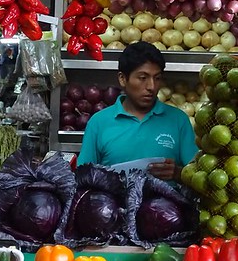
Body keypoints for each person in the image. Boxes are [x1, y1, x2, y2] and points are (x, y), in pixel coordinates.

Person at [77, 42, 198, 182]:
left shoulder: (178, 120)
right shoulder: (99, 122)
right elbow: (83, 177)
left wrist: (178, 173)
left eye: (157, 78)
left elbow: (196, 175)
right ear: (122, 79)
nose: (151, 86)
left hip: (165, 203)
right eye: (143, 78)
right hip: (113, 203)